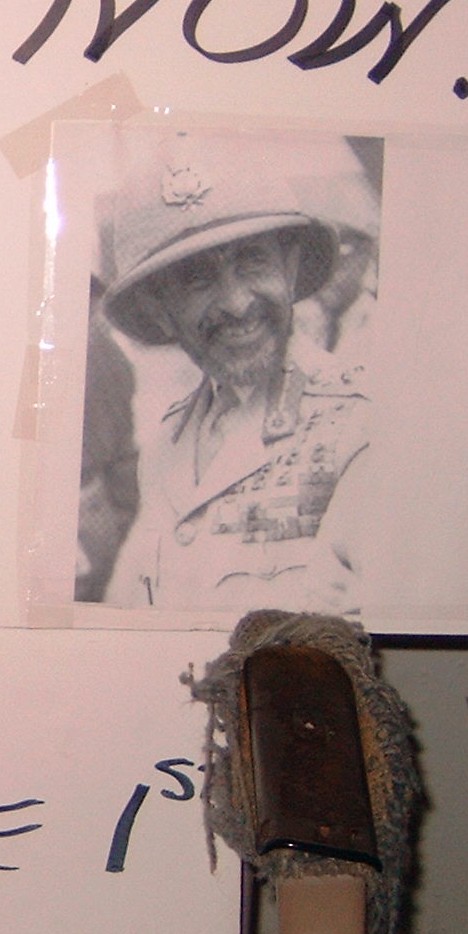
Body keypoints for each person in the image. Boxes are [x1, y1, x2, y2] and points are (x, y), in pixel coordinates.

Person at [93, 136, 371, 612]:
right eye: (197, 279)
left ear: (289, 266)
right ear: (159, 310)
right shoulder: (165, 448)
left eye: (253, 261)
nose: (237, 302)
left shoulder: (358, 425)